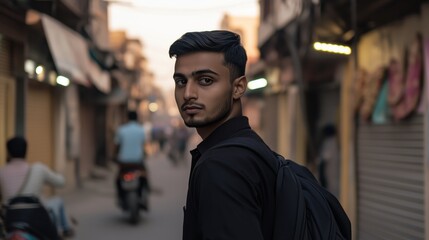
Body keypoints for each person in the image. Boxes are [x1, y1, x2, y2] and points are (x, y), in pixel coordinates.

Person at [169, 30, 277, 240]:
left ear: (238, 87)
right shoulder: (247, 147)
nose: (188, 93)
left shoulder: (222, 165)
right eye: (181, 81)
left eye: (206, 80)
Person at [0, 136, 74, 238]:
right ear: (26, 150)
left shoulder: (1, 172)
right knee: (58, 201)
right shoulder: (38, 169)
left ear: (8, 152)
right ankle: (66, 230)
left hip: (10, 221)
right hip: (34, 220)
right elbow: (61, 182)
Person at [114, 110, 148, 207]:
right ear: (137, 118)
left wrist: (115, 156)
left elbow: (116, 146)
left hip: (124, 163)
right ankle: (144, 194)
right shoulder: (141, 130)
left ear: (127, 118)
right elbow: (143, 145)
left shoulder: (121, 129)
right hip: (137, 162)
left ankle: (120, 197)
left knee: (118, 179)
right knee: (145, 176)